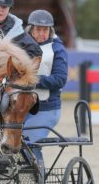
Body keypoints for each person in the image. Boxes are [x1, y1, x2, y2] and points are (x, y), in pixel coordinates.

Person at [22, 9, 68, 162]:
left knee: (29, 142)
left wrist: (33, 79)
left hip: (47, 108)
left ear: (50, 30)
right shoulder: (21, 46)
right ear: (31, 30)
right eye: (38, 29)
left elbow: (60, 79)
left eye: (45, 30)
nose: (42, 33)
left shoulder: (57, 49)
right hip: (22, 107)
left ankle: (40, 182)